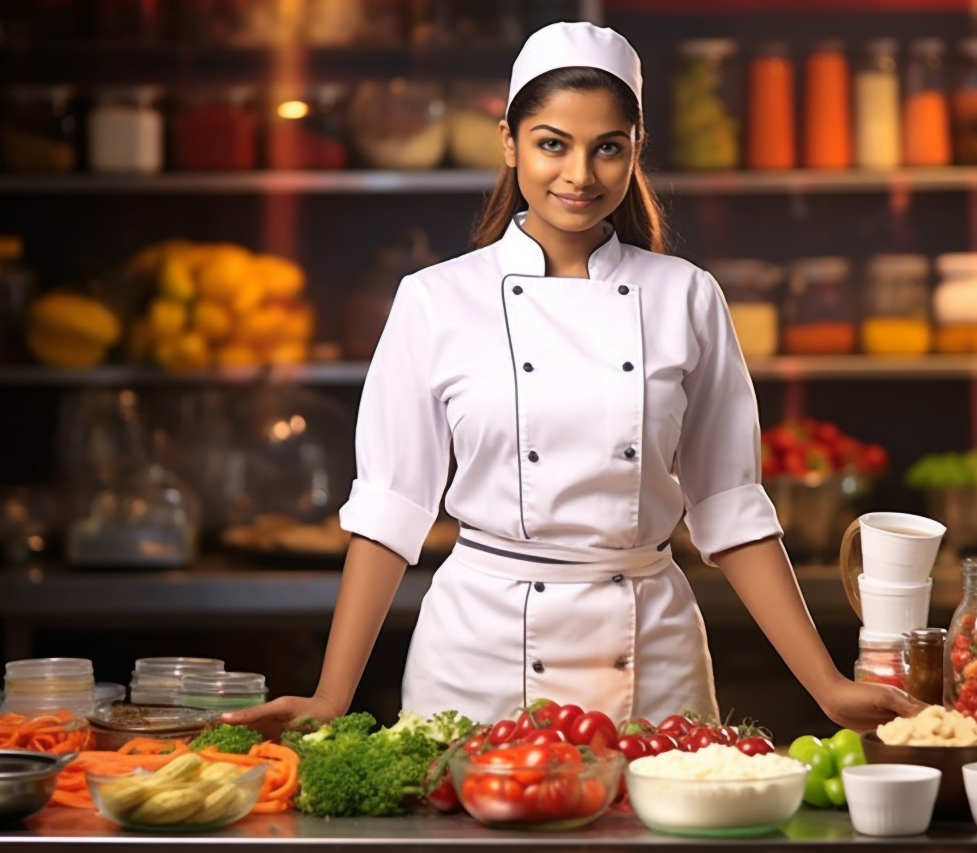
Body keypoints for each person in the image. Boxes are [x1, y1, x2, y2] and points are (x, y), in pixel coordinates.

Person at [224, 21, 921, 736]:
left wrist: (829, 686)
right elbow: (389, 512)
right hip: (477, 656)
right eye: (551, 143)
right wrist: (332, 694)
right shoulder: (435, 299)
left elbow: (731, 507)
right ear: (509, 142)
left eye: (607, 147)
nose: (580, 175)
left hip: (650, 653)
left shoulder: (687, 296)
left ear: (636, 150)